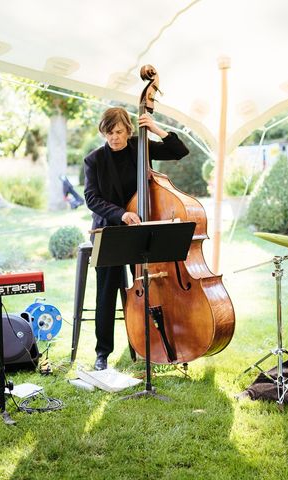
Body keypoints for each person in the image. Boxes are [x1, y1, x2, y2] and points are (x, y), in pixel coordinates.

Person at [84, 107, 189, 370]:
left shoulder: (141, 147)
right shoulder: (94, 160)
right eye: (109, 133)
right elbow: (92, 198)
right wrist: (121, 215)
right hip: (110, 230)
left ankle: (150, 344)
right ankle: (102, 353)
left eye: (119, 132)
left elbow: (179, 152)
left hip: (143, 229)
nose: (114, 138)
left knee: (150, 288)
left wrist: (155, 128)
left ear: (129, 130)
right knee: (106, 293)